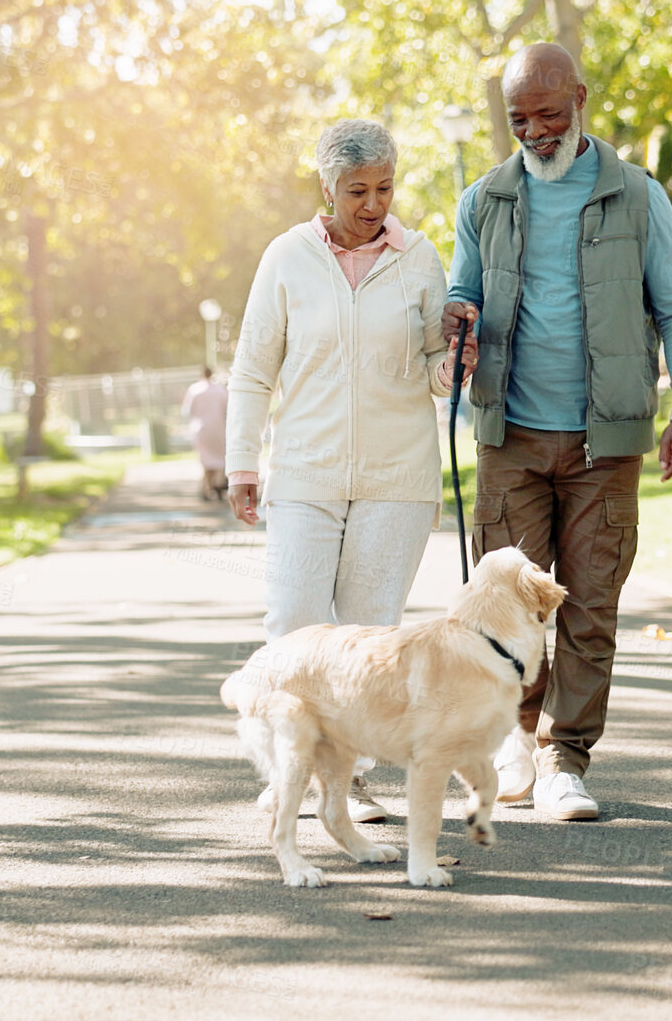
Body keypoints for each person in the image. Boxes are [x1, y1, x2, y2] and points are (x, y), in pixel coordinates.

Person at [443, 43, 672, 822]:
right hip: (509, 433)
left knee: (589, 602)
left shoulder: (636, 194)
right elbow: (463, 290)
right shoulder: (482, 199)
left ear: (580, 100)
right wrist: (456, 316)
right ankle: (514, 738)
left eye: (549, 115)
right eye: (519, 119)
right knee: (505, 610)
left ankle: (564, 758)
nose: (534, 132)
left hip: (605, 438)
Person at [225, 118, 455, 824]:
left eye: (384, 188)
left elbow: (433, 372)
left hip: (397, 476)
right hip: (305, 471)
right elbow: (253, 367)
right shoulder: (287, 256)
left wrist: (451, 356)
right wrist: (241, 463)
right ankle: (286, 773)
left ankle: (344, 783)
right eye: (357, 190)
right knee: (294, 625)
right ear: (326, 188)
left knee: (364, 642)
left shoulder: (419, 259)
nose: (373, 203)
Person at [182, 366, 229, 501]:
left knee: (206, 460)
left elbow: (187, 411)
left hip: (201, 429)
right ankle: (218, 483)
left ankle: (207, 487)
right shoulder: (220, 390)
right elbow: (227, 409)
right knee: (220, 459)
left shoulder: (195, 390)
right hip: (218, 428)